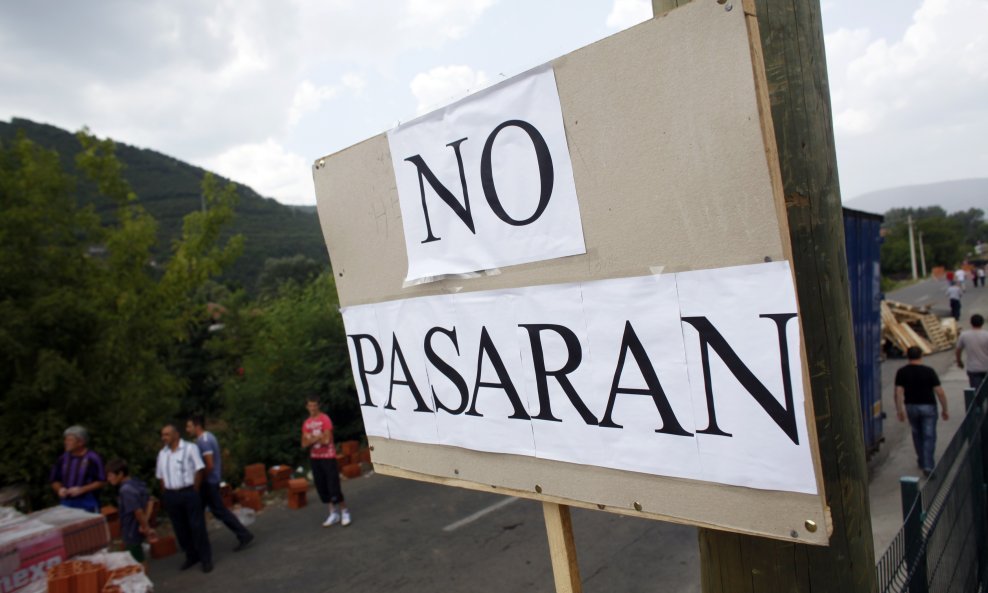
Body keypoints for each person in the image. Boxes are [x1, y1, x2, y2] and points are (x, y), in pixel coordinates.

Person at [185, 415, 254, 551]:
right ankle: (197, 542)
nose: (187, 430)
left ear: (197, 426)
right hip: (211, 480)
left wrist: (200, 480)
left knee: (218, 511)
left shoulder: (203, 441)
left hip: (208, 482)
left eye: (189, 426)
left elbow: (209, 465)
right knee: (208, 511)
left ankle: (243, 534)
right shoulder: (207, 437)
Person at [156, 424, 213, 573]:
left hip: (188, 492)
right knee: (180, 529)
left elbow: (199, 469)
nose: (164, 438)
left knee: (197, 526)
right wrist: (166, 493)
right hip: (171, 494)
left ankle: (205, 559)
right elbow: (160, 476)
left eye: (167, 434)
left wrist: (195, 489)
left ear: (176, 435)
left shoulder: (189, 448)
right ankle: (191, 555)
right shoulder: (162, 453)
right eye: (163, 435)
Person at [895, 346, 949, 477]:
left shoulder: (902, 372)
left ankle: (921, 459)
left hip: (911, 406)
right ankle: (928, 465)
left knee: (917, 433)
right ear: (921, 356)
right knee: (929, 436)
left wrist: (900, 410)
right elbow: (940, 392)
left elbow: (898, 392)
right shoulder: (929, 371)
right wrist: (945, 409)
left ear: (908, 356)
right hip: (928, 406)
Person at [302, 395, 351, 527]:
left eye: (314, 405)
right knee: (322, 486)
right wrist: (318, 436)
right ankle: (333, 513)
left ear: (318, 406)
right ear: (307, 407)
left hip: (328, 457)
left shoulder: (325, 419)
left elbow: (326, 440)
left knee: (333, 485)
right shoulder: (307, 423)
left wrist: (312, 437)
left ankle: (344, 511)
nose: (312, 408)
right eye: (310, 406)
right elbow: (304, 443)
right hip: (315, 458)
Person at [106, 459, 156, 566]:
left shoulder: (126, 490)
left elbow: (137, 511)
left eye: (110, 475)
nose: (108, 479)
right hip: (135, 529)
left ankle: (143, 582)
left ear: (120, 474)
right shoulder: (136, 483)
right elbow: (150, 501)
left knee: (138, 563)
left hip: (131, 531)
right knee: (139, 558)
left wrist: (145, 527)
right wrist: (146, 523)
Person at [50, 426, 105, 513]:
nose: (66, 443)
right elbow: (54, 480)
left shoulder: (93, 458)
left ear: (81, 442)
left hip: (88, 503)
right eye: (66, 440)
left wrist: (82, 489)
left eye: (70, 440)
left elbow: (102, 481)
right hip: (66, 503)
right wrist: (59, 489)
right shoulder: (62, 458)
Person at [957, 313, 988, 390]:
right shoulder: (986, 335)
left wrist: (959, 361)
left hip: (973, 369)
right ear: (982, 323)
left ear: (971, 323)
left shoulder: (964, 335)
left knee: (977, 394)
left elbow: (958, 350)